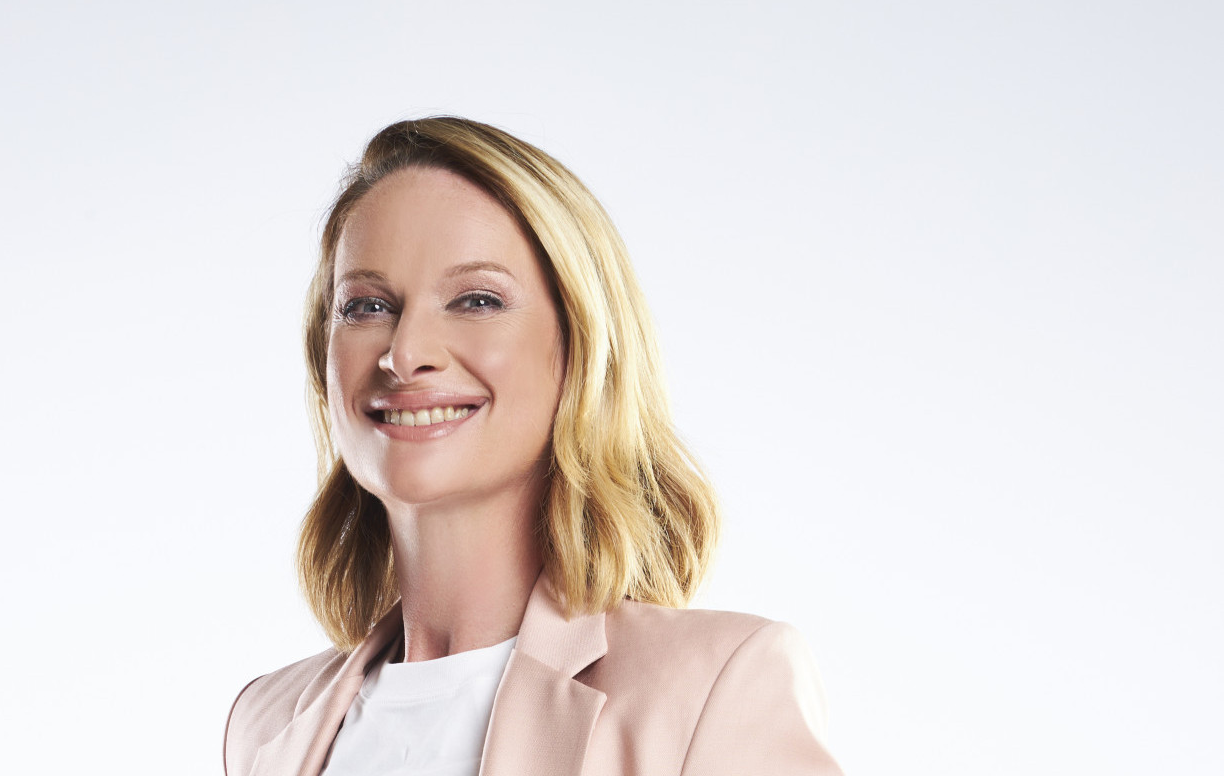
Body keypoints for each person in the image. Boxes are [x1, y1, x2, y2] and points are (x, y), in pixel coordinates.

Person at [224, 116, 844, 776]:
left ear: (582, 346)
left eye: (477, 300)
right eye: (367, 307)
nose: (405, 353)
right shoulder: (263, 724)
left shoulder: (713, 686)